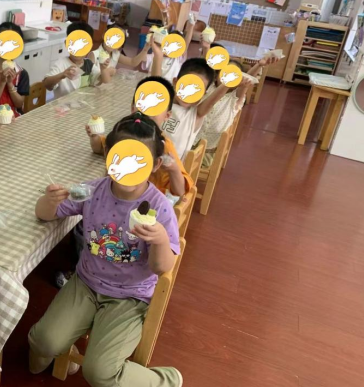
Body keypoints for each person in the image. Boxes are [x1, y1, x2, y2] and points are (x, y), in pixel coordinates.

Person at [29, 114, 183, 387]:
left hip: (130, 297)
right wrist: (49, 200)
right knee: (42, 341)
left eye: (137, 162)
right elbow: (44, 214)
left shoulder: (159, 208)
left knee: (99, 372)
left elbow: (162, 268)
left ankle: (165, 381)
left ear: (155, 165)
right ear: (108, 156)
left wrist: (160, 239)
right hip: (85, 283)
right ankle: (54, 354)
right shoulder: (92, 191)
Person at [87, 78, 192, 198]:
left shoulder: (163, 146)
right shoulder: (123, 132)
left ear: (167, 116)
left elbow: (180, 191)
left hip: (145, 203)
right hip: (113, 196)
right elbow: (100, 148)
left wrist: (173, 169)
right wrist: (94, 136)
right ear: (133, 107)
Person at [195, 56, 279, 167]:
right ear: (216, 75)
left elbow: (247, 79)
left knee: (197, 166)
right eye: (225, 73)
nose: (228, 78)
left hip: (210, 148)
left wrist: (259, 65)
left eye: (233, 75)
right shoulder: (208, 88)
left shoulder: (235, 97)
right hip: (191, 139)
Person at [152, 56, 231, 158]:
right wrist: (158, 55)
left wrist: (227, 84)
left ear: (203, 94)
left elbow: (212, 101)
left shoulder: (196, 114)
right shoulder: (162, 103)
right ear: (175, 82)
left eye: (197, 90)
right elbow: (155, 84)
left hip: (173, 167)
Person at [44, 22, 111, 100]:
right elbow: (47, 84)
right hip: (64, 106)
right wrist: (62, 74)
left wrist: (103, 69)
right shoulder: (61, 64)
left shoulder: (88, 64)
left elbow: (105, 81)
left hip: (84, 104)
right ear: (66, 43)